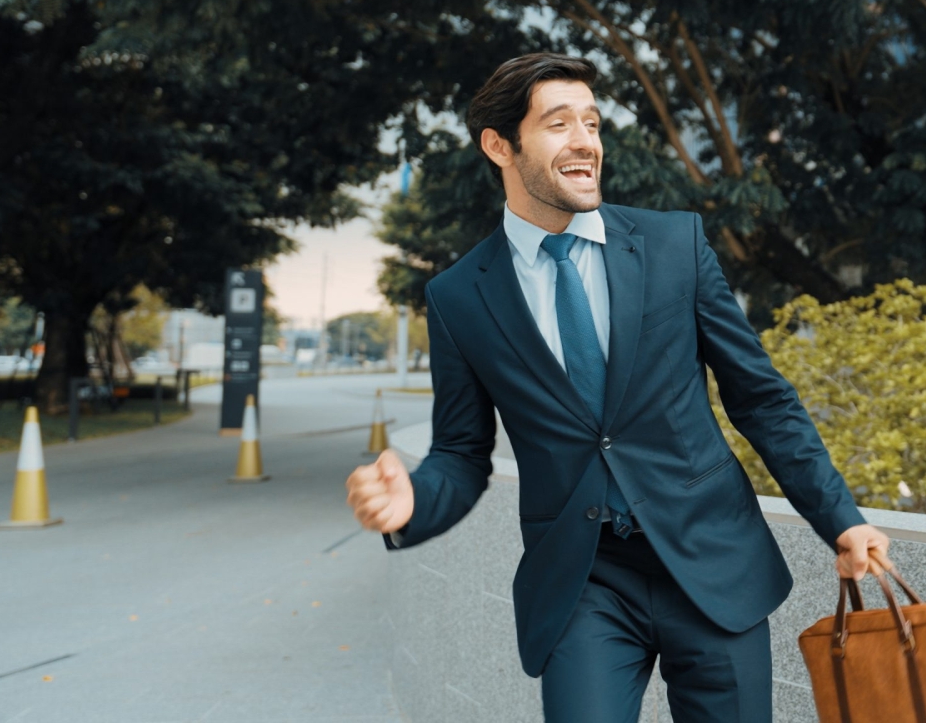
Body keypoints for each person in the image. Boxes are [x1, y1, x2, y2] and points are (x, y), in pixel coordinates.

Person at [345, 53, 888, 723]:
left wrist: (842, 519)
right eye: (558, 124)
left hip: (711, 562)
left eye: (593, 124)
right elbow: (462, 453)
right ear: (498, 145)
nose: (585, 143)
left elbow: (761, 397)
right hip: (584, 582)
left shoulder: (674, 245)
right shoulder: (459, 297)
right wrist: (411, 505)